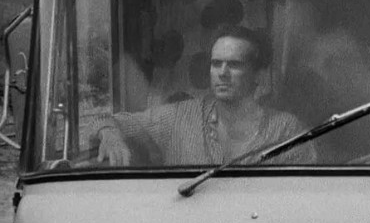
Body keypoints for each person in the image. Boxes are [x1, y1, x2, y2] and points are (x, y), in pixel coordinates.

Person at [91, 26, 317, 166]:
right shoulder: (178, 117)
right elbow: (106, 120)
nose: (222, 73)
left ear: (258, 74)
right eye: (216, 63)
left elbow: (301, 199)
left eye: (234, 65)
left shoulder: (286, 130)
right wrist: (110, 135)